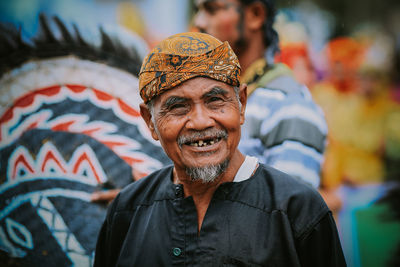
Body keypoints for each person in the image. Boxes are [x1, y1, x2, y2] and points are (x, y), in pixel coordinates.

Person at [94, 32, 345, 266]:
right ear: (150, 121)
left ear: (242, 104)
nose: (201, 121)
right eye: (178, 107)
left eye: (215, 101)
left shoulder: (298, 210)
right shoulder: (126, 211)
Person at [193, 0, 327, 189]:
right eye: (198, 10)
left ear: (255, 15)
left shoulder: (290, 105)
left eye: (212, 10)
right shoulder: (209, 95)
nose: (199, 21)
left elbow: (289, 211)